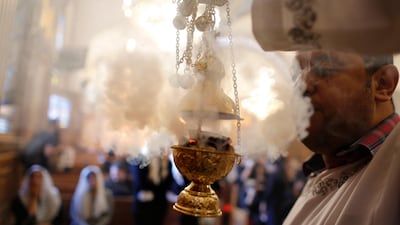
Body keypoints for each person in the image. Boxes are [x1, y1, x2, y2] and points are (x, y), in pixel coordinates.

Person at [283, 50, 400, 224]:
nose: (303, 85)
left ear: (383, 84)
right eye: (296, 73)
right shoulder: (326, 167)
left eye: (325, 69)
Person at [131, 154, 174, 225]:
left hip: (160, 202)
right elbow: (140, 181)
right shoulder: (141, 159)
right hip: (144, 203)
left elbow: (169, 182)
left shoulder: (167, 162)